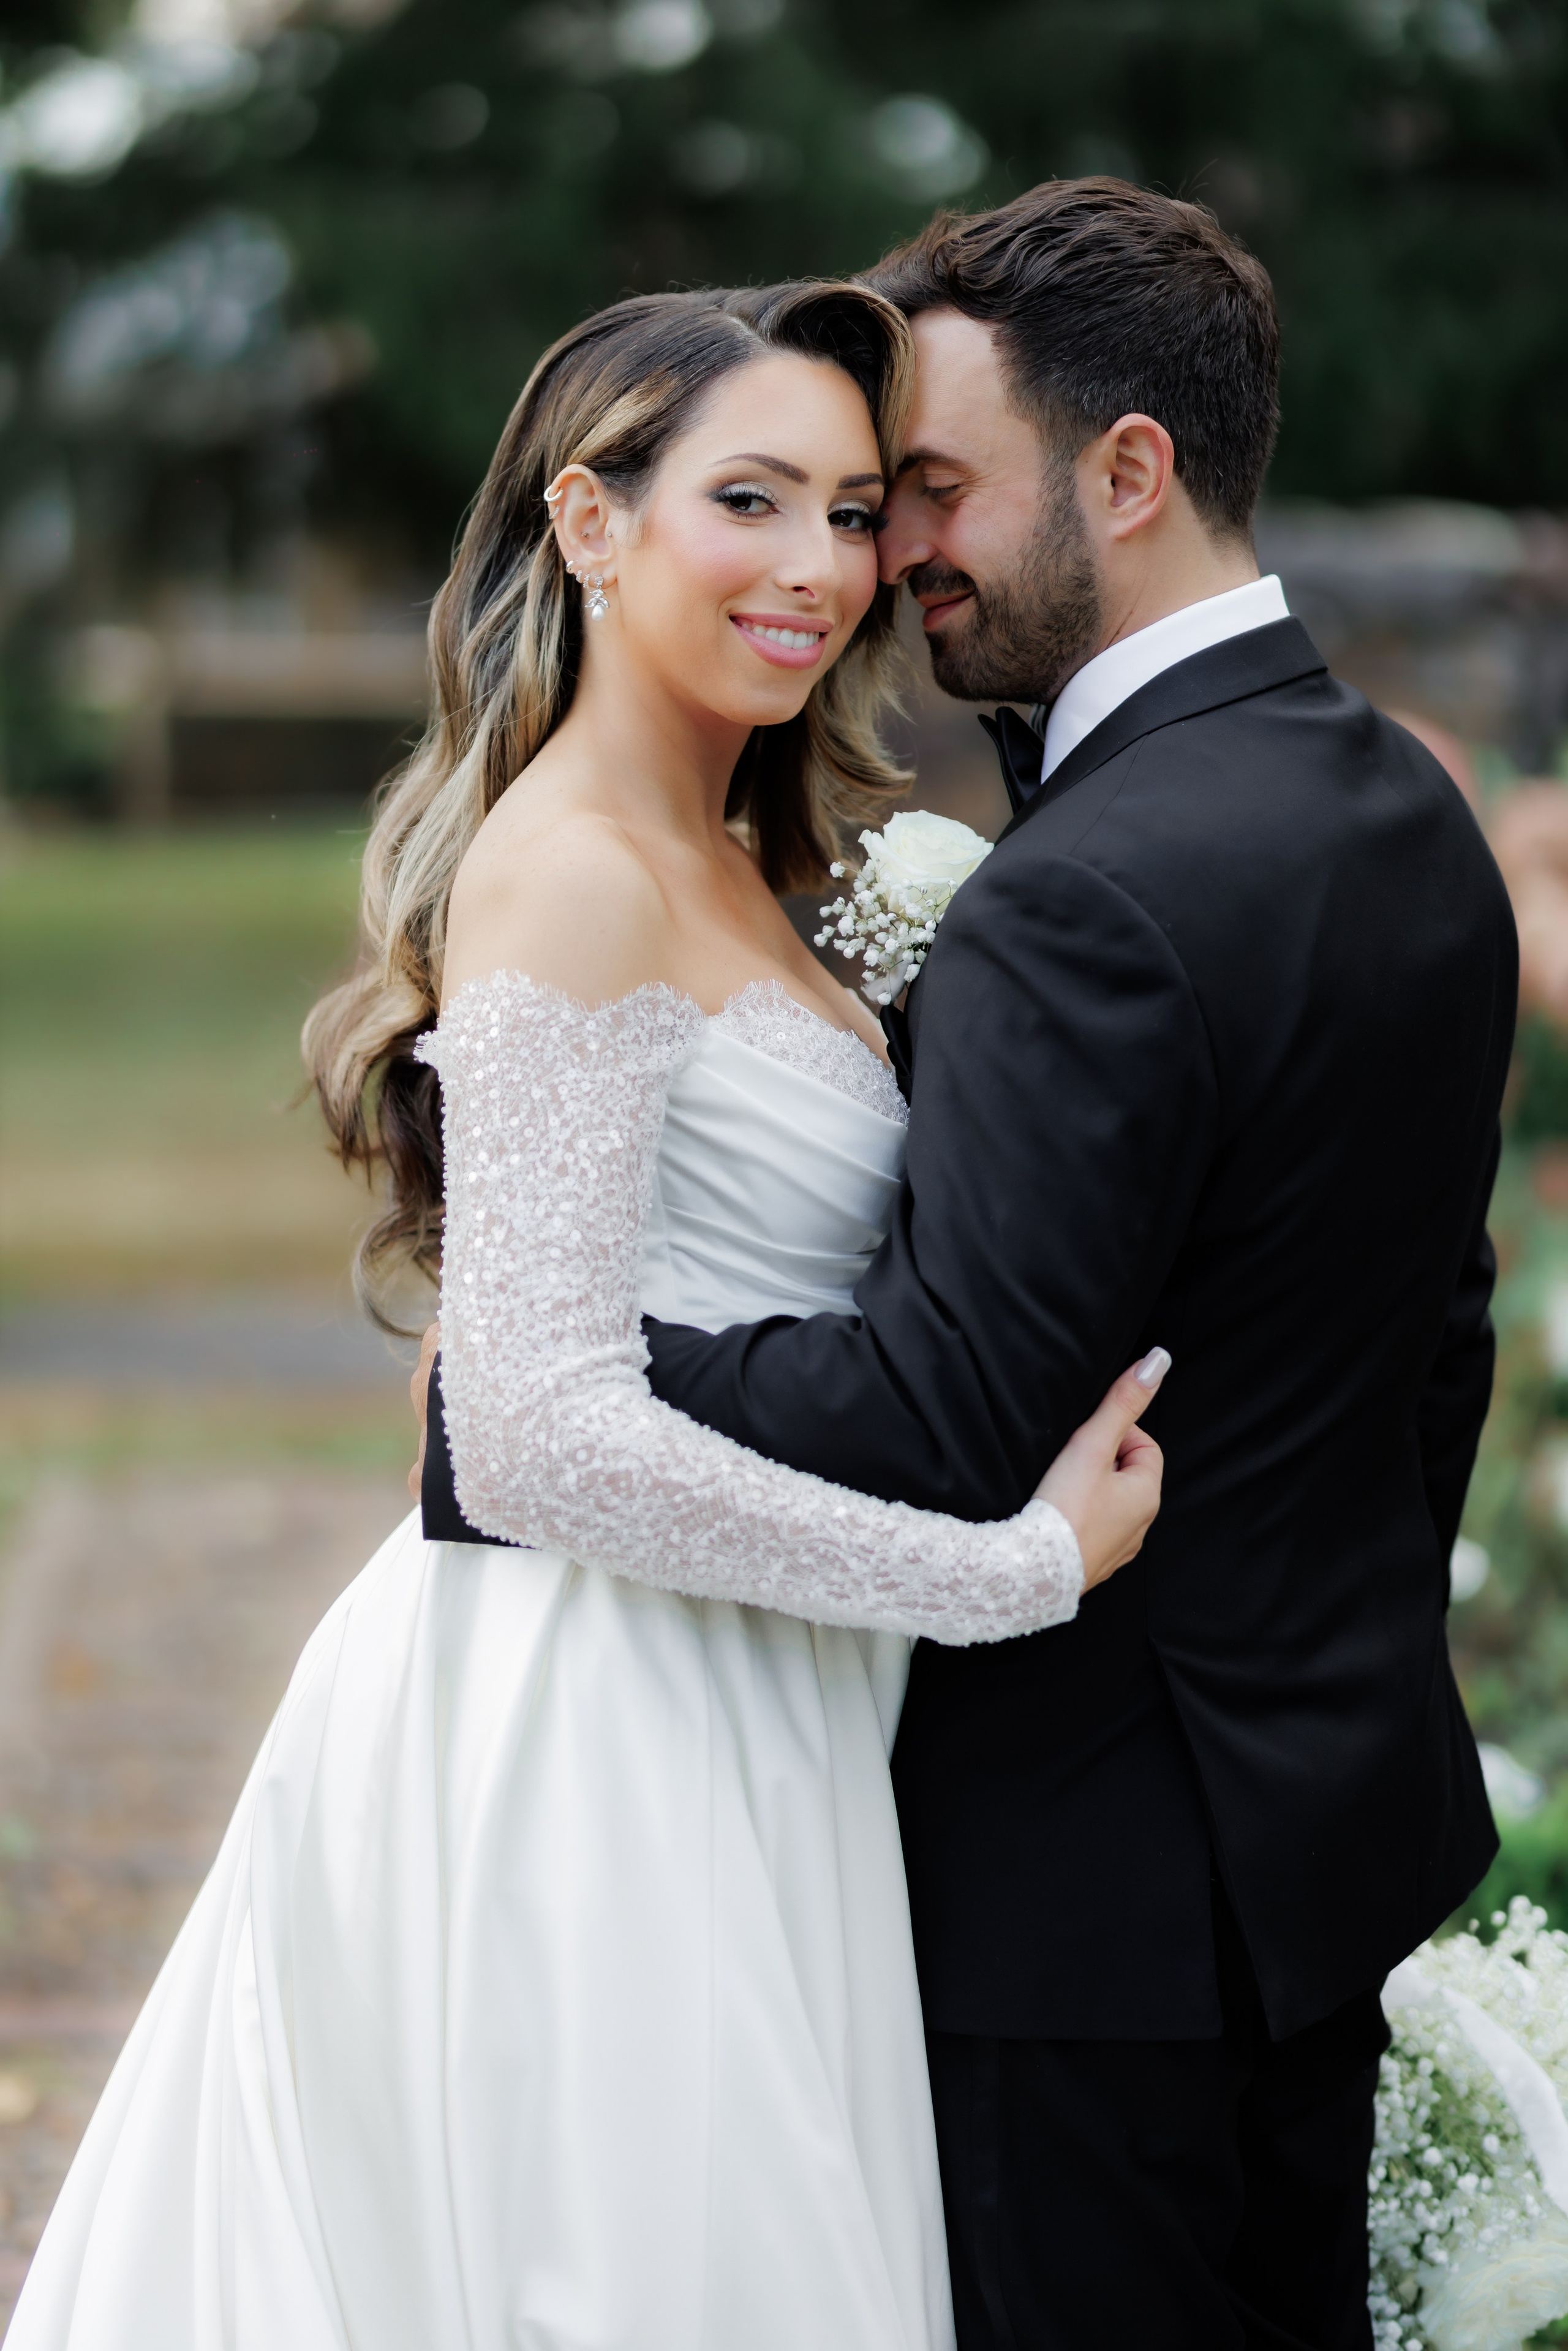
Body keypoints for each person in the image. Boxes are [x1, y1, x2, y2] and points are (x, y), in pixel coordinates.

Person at [7, 279, 1165, 2351]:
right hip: (595, 1727)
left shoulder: (737, 855)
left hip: (759, 1695)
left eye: (847, 509)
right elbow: (533, 1436)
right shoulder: (575, 874)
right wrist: (1001, 1573)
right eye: (749, 499)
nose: (820, 568)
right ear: (591, 520)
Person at [424, 181, 1518, 2344]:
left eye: (918, 492)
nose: (878, 560)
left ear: (1127, 472)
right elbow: (1435, 1345)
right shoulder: (1402, 810)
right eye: (824, 499)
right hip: (1324, 1836)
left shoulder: (1086, 891)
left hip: (1075, 1895)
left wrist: (537, 1394)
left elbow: (944, 1408)